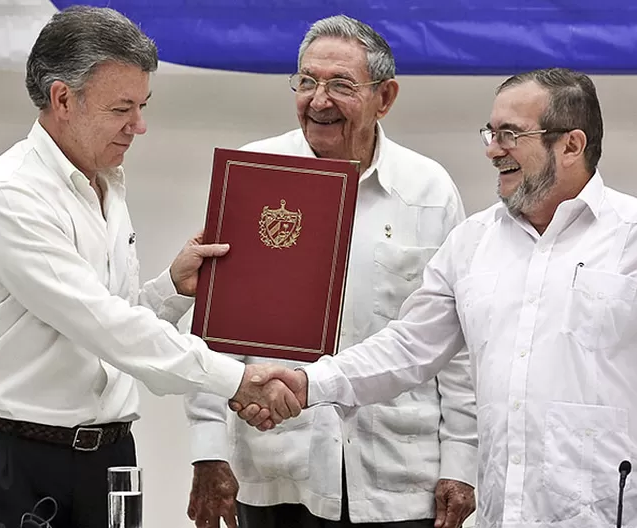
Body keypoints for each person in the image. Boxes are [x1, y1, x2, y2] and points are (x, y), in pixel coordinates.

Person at [241, 68, 637, 527]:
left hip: (621, 513)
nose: (493, 150)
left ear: (571, 144)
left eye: (511, 134)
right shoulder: (472, 243)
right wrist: (310, 383)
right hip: (508, 512)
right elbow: (408, 347)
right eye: (490, 133)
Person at [0, 7, 299, 528]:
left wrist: (172, 289)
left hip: (106, 459)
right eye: (122, 108)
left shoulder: (106, 182)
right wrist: (236, 379)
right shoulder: (10, 194)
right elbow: (103, 324)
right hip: (8, 461)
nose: (139, 126)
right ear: (62, 98)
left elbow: (106, 327)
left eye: (143, 105)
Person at [183, 14, 478, 528]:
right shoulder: (255, 174)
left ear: (384, 97)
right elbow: (215, 334)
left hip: (400, 478)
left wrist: (461, 460)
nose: (318, 100)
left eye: (341, 84)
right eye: (306, 82)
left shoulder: (429, 190)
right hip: (279, 470)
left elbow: (455, 343)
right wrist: (209, 451)